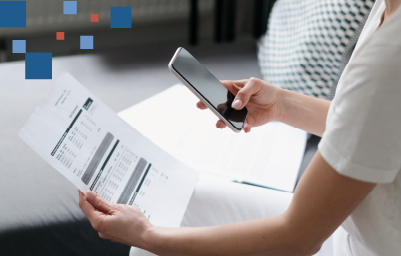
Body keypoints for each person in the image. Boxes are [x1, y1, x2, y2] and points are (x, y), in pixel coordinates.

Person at [78, 0, 401, 255]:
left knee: (156, 243)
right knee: (177, 206)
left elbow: (296, 239)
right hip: (347, 235)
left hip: (358, 247)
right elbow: (369, 124)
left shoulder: (387, 60)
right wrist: (282, 105)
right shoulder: (386, 10)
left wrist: (147, 236)